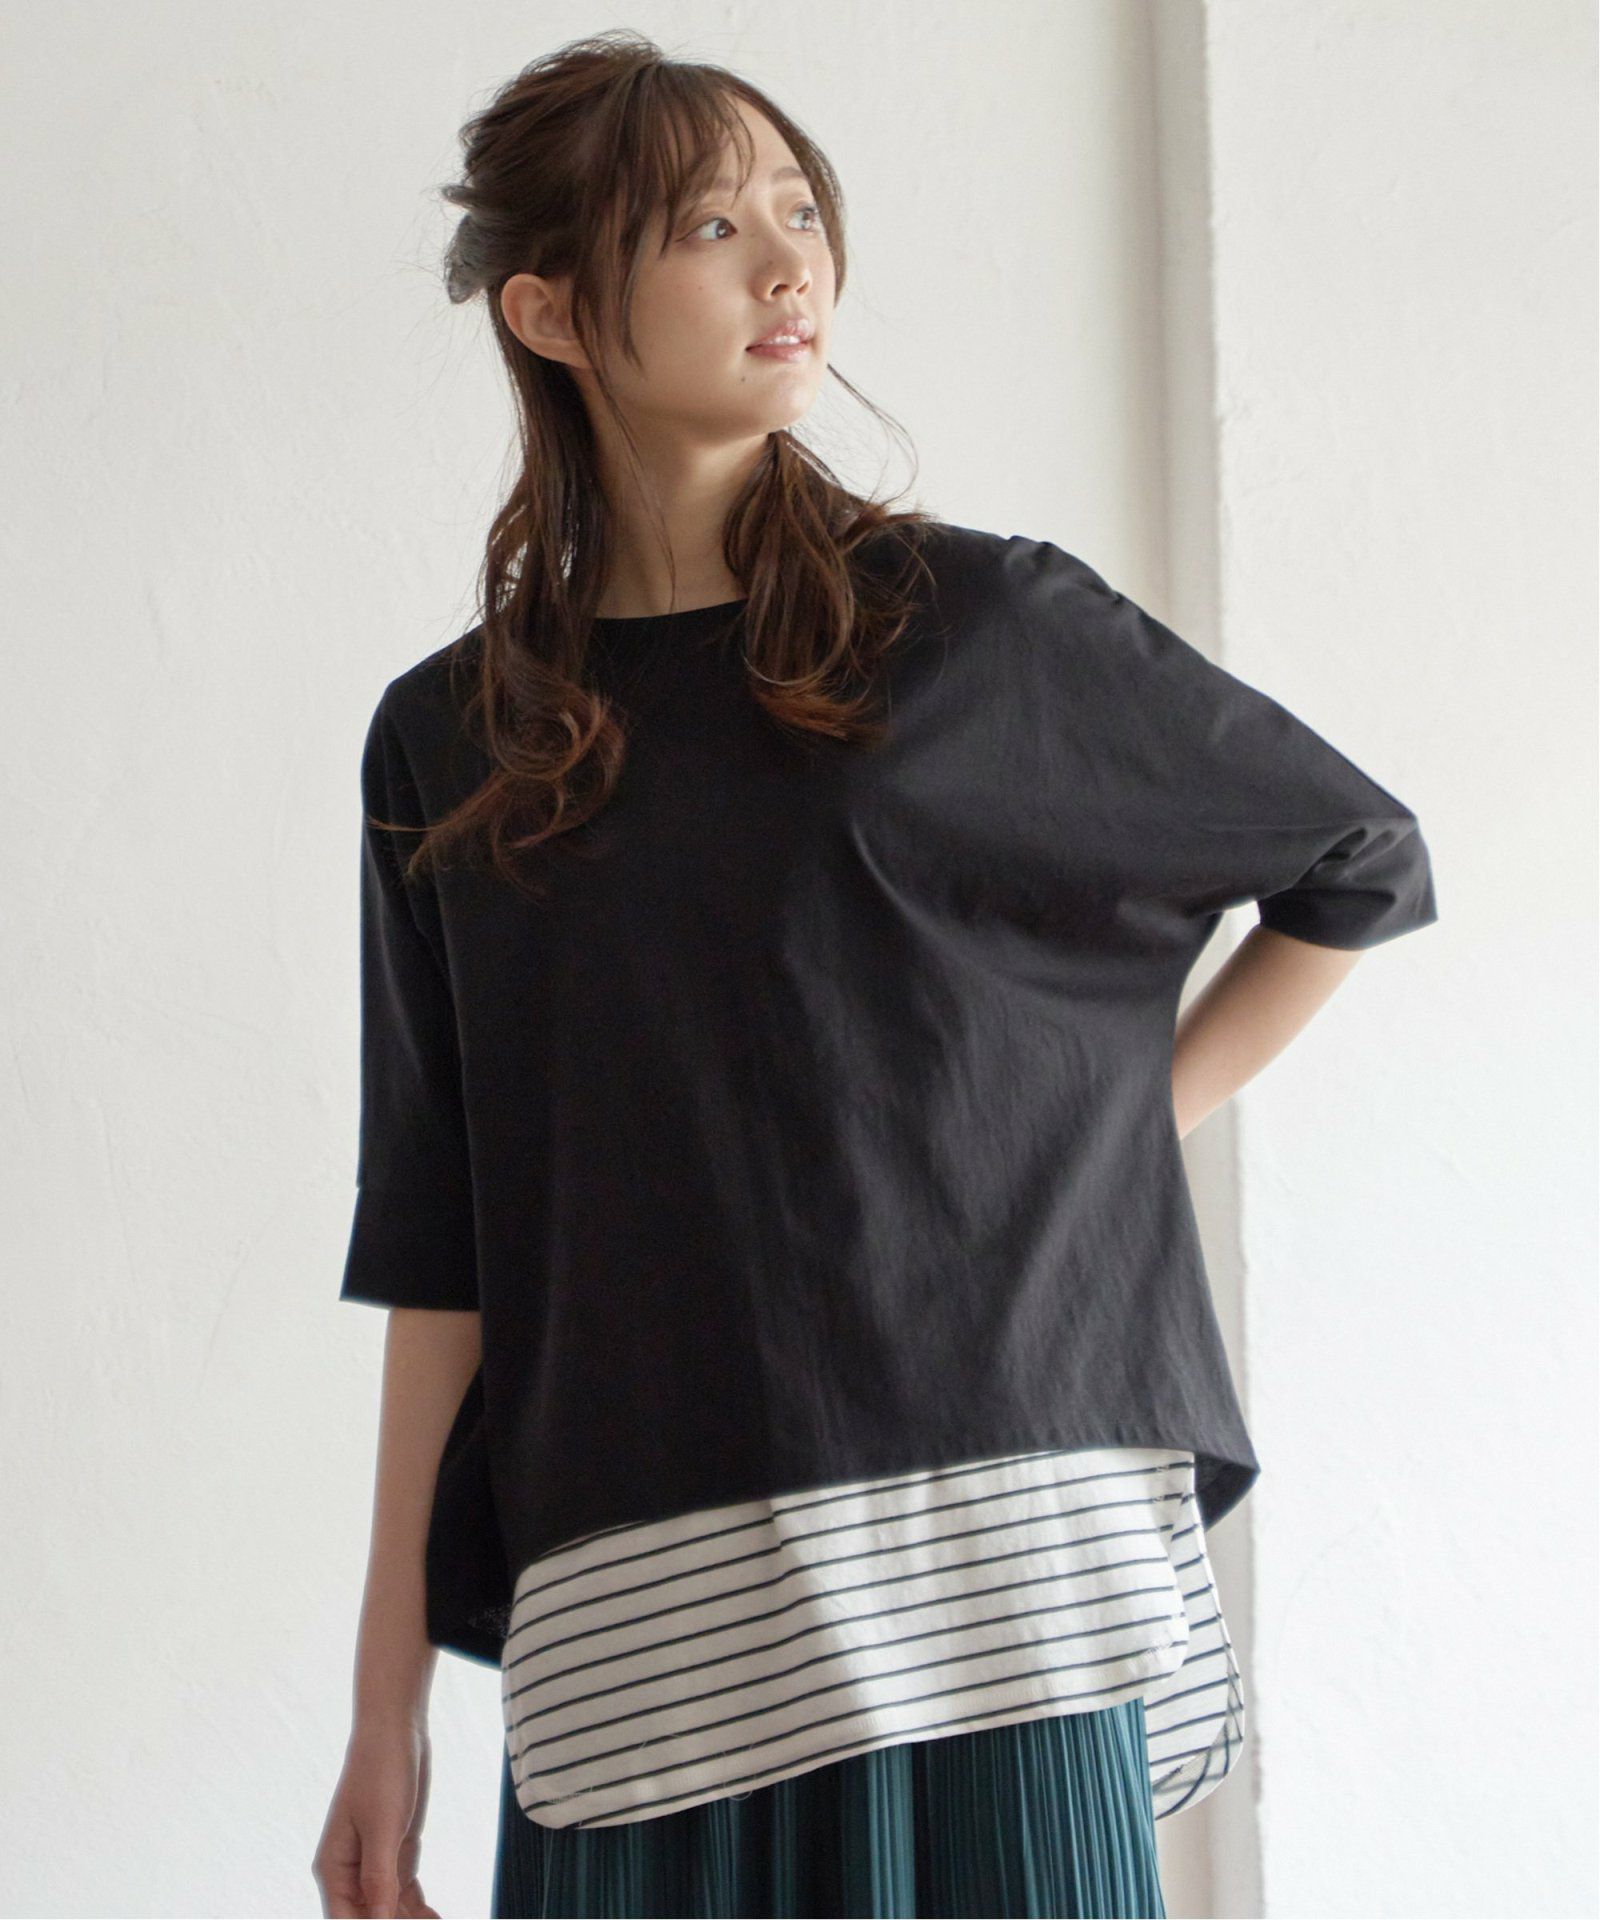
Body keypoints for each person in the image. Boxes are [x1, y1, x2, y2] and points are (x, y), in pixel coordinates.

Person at [311, 32, 1438, 1920]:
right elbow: (445, 1236)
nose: (789, 264)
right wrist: (386, 1707)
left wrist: (1079, 1135)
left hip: (995, 1584)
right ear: (551, 310)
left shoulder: (979, 628)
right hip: (649, 1637)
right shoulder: (455, 738)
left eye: (801, 210)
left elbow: (1355, 862)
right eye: (708, 227)